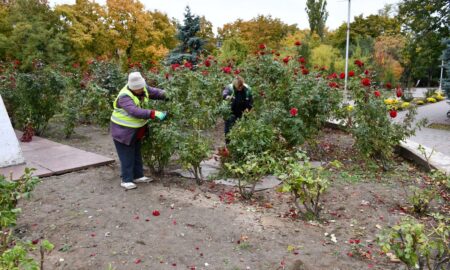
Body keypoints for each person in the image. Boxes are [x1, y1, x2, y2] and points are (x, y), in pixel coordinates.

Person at [111, 72, 167, 190]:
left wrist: (168, 94)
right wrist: (153, 113)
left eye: (142, 87)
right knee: (127, 155)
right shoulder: (124, 97)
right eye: (138, 89)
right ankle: (126, 180)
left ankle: (138, 176)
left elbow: (155, 92)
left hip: (135, 130)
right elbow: (135, 111)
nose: (141, 90)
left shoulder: (143, 88)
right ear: (132, 87)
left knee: (136, 152)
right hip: (122, 132)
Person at [222, 76, 253, 144]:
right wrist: (227, 96)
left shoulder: (247, 89)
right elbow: (224, 93)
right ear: (235, 85)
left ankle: (241, 143)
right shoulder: (230, 88)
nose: (240, 88)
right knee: (229, 127)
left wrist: (248, 108)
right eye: (238, 87)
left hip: (243, 111)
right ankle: (228, 144)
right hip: (231, 111)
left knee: (244, 128)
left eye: (241, 86)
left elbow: (250, 101)